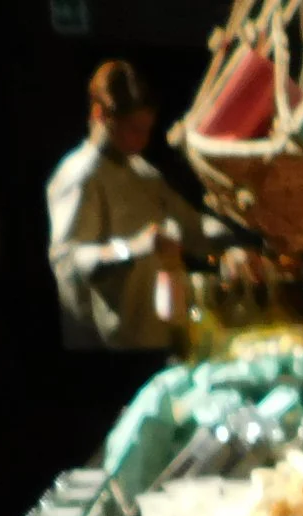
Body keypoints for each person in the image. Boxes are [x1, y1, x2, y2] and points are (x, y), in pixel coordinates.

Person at [47, 61, 218, 352]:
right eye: (133, 129)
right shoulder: (80, 176)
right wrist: (132, 248)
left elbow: (193, 226)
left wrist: (241, 239)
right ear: (100, 114)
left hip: (154, 337)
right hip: (108, 349)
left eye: (146, 129)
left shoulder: (143, 173)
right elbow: (68, 258)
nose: (142, 140)